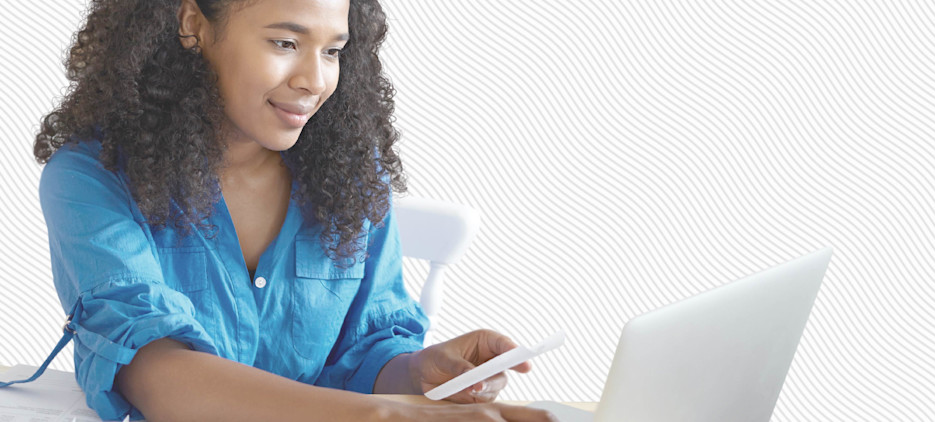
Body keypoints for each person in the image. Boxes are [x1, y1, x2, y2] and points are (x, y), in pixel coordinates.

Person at [29, 0, 556, 420]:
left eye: (332, 51)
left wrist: (418, 373)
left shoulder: (350, 174)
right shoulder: (89, 178)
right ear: (193, 25)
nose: (315, 79)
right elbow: (156, 376)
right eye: (285, 42)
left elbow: (367, 352)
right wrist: (383, 415)